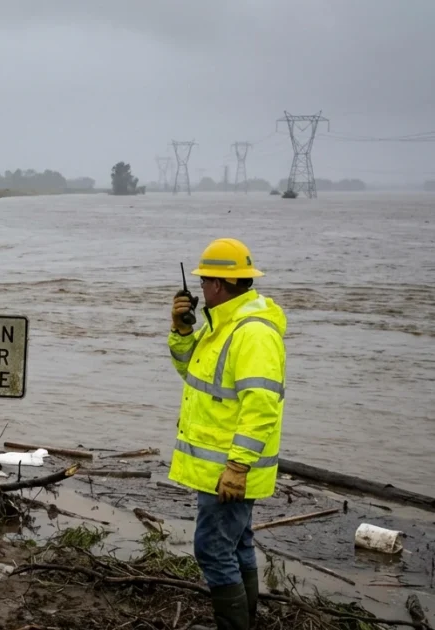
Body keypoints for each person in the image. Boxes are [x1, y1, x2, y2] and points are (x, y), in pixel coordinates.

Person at [168, 238, 287, 630]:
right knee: (237, 544)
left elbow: (262, 406)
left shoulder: (252, 334)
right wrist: (181, 331)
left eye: (204, 281)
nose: (200, 288)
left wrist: (237, 467)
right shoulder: (222, 326)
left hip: (229, 469)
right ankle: (244, 623)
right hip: (221, 468)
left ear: (218, 284)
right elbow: (192, 372)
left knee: (213, 549)